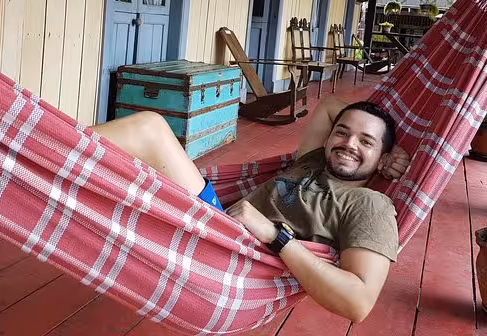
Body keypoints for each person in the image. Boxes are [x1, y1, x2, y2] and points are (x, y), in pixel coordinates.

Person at [89, 96, 410, 323]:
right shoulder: (313, 160)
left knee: (151, 129)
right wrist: (382, 141)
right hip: (213, 221)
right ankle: (50, 145)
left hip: (229, 253)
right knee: (132, 155)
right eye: (342, 132)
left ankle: (46, 141)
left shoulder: (371, 205)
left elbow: (359, 302)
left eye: (366, 142)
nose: (349, 144)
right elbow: (327, 108)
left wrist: (276, 236)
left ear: (382, 160)